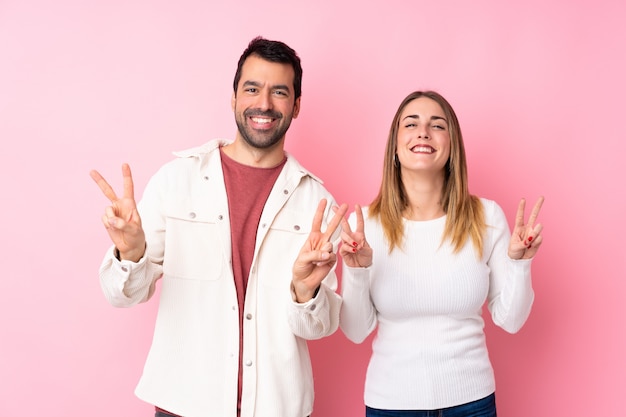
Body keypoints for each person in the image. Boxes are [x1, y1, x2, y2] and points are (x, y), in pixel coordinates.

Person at [90, 36, 347, 417]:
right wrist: (131, 252)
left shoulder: (318, 205)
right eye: (252, 89)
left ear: (296, 106)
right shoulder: (176, 180)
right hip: (185, 404)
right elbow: (123, 294)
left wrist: (305, 291)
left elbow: (318, 327)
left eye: (279, 92)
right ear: (233, 98)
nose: (264, 103)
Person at [338, 90, 544, 417]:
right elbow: (354, 330)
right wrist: (358, 271)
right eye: (411, 124)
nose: (423, 132)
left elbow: (512, 320)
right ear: (395, 144)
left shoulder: (486, 217)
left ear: (452, 146)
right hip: (391, 405)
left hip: (473, 403)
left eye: (437, 125)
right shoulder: (364, 226)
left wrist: (520, 263)